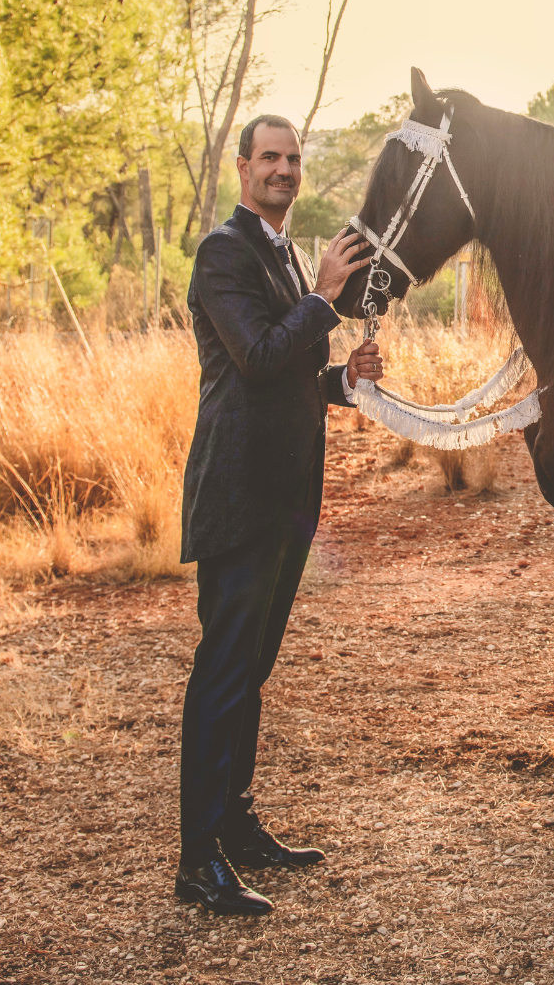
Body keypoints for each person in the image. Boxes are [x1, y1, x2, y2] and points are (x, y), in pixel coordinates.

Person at [175, 113, 384, 917]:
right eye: (270, 158)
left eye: (293, 158)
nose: (284, 170)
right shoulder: (222, 254)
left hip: (289, 498)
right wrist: (324, 297)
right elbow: (257, 358)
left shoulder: (289, 254)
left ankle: (237, 824)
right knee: (223, 674)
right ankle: (198, 862)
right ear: (242, 168)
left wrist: (342, 379)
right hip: (236, 495)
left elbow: (293, 376)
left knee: (252, 673)